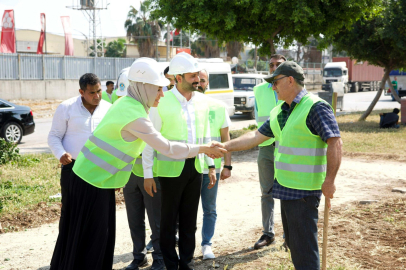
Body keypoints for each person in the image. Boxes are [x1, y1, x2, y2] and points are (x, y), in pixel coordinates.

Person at [49, 57, 226, 270]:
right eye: (158, 89)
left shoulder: (129, 104)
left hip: (96, 181)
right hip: (90, 183)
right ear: (144, 87)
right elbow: (167, 147)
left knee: (94, 242)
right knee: (91, 245)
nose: (162, 93)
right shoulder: (134, 114)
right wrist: (205, 149)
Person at [211, 61, 342, 270]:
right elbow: (256, 136)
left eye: (275, 82)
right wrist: (224, 146)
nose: (272, 87)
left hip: (305, 191)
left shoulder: (315, 107)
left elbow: (335, 141)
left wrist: (330, 181)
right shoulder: (280, 110)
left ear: (290, 80)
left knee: (305, 250)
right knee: (294, 246)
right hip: (286, 186)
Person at [142, 52, 216, 270]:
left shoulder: (202, 101)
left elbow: (206, 135)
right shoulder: (161, 101)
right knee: (167, 222)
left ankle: (186, 262)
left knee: (189, 222)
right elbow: (149, 140)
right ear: (178, 77)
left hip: (196, 168)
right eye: (192, 75)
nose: (197, 79)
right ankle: (170, 264)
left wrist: (211, 166)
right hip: (169, 172)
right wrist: (148, 174)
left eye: (198, 75)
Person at [47, 73, 111, 232]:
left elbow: (112, 141)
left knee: (99, 216)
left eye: (99, 91)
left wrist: (113, 172)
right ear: (81, 92)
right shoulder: (66, 108)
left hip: (100, 169)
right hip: (73, 169)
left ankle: (95, 255)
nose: (97, 96)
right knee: (72, 214)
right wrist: (60, 153)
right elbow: (54, 136)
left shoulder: (108, 109)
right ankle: (70, 254)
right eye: (92, 92)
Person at [197, 69, 232, 260]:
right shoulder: (186, 107)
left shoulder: (218, 107)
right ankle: (183, 245)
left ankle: (206, 244)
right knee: (184, 209)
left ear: (207, 83)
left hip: (213, 168)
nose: (199, 83)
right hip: (191, 166)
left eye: (203, 80)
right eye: (197, 79)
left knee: (209, 208)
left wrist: (228, 166)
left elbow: (226, 138)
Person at [252, 54, 285, 249]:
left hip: (286, 147)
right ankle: (268, 233)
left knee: (289, 192)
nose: (273, 68)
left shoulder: (294, 88)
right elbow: (258, 119)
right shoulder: (258, 90)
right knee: (266, 192)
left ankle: (290, 235)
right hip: (265, 148)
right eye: (271, 65)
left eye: (278, 65)